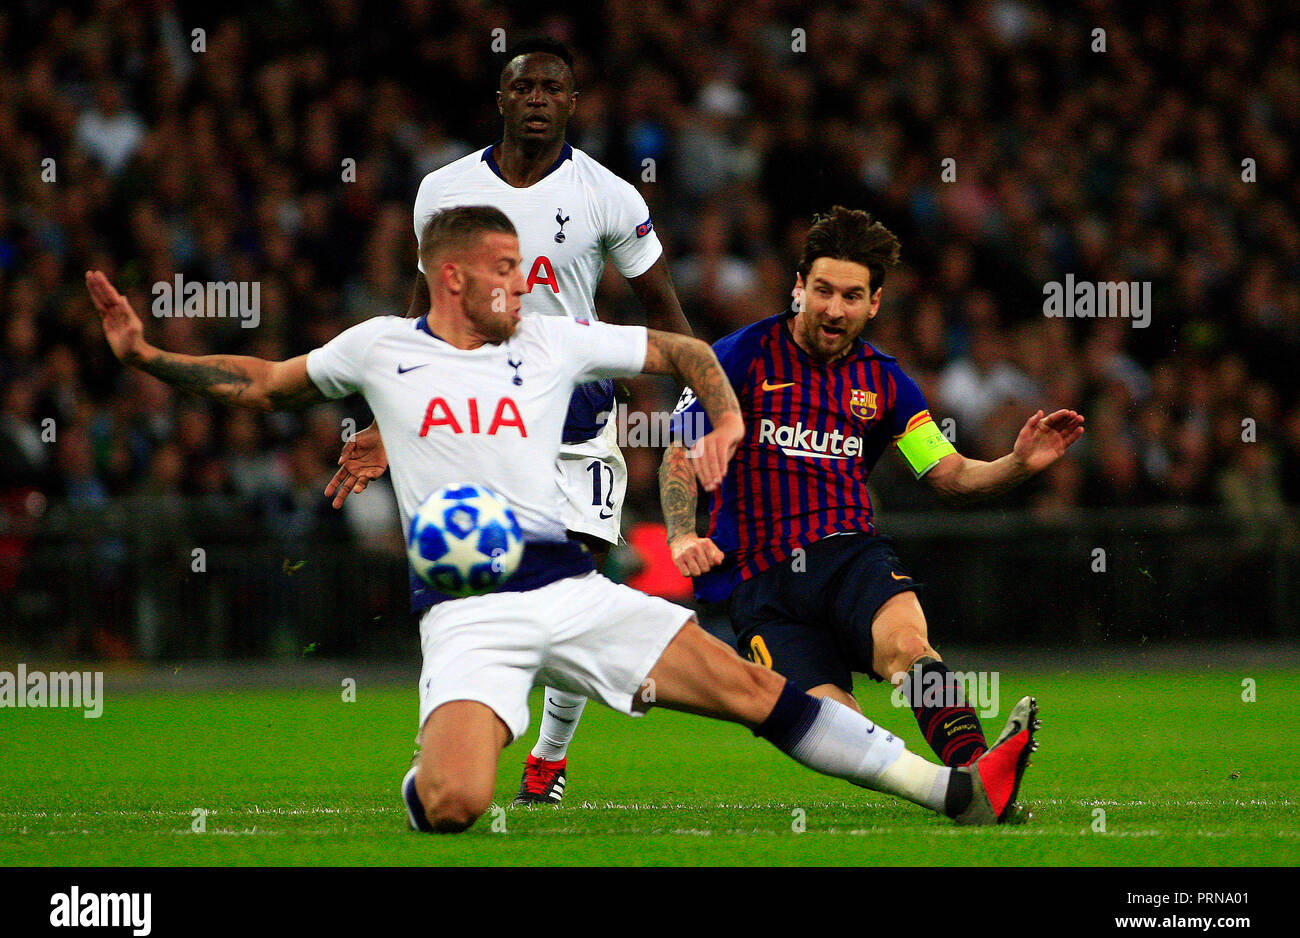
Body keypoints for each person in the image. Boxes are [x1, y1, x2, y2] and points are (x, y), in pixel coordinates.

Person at [87, 204, 1038, 833]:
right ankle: (438, 771)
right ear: (453, 277)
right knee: (457, 804)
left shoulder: (550, 338)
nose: (526, 281)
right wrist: (147, 358)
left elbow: (683, 352)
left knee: (760, 697)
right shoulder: (380, 349)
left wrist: (728, 418)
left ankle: (954, 787)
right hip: (468, 612)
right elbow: (261, 385)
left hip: (577, 589)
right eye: (507, 268)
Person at [327, 38, 694, 806]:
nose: (536, 98)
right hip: (476, 416)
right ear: (499, 99)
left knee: (578, 583)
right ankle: (448, 734)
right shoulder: (442, 190)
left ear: (572, 103)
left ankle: (547, 760)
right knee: (467, 588)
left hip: (577, 422)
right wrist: (387, 417)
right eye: (522, 85)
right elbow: (420, 314)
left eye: (552, 87)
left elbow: (662, 310)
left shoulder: (610, 195)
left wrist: (692, 397)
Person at [662, 206, 1083, 766]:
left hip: (850, 557)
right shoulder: (737, 357)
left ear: (874, 302)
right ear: (798, 288)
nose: (835, 309)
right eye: (823, 290)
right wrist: (682, 535)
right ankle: (939, 784)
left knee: (910, 648)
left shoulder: (886, 382)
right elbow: (680, 452)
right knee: (838, 729)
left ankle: (978, 771)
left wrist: (1017, 464)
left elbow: (950, 475)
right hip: (761, 583)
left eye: (852, 295)